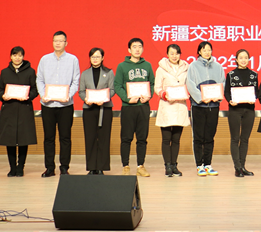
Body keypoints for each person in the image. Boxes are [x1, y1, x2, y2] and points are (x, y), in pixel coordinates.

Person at [36, 30, 80, 177]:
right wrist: (43, 95)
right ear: (52, 42)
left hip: (65, 105)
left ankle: (64, 167)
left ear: (66, 43)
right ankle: (49, 168)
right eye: (55, 40)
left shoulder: (73, 60)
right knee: (49, 138)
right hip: (48, 105)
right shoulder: (44, 59)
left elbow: (75, 81)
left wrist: (68, 95)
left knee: (65, 137)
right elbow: (39, 79)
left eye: (61, 41)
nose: (58, 43)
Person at [113, 37, 155, 177]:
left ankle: (140, 166)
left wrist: (149, 96)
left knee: (142, 138)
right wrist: (127, 98)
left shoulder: (147, 65)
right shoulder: (122, 66)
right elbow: (117, 85)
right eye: (134, 47)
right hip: (128, 107)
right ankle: (125, 166)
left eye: (139, 46)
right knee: (126, 137)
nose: (137, 49)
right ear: (129, 49)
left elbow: (152, 83)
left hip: (143, 106)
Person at [0, 46, 38, 177]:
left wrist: (27, 96)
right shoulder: (4, 72)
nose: (17, 58)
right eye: (15, 55)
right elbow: (0, 90)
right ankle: (12, 168)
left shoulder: (30, 71)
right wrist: (2, 96)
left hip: (24, 109)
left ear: (23, 57)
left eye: (20, 55)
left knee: (23, 139)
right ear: (10, 56)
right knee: (10, 140)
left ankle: (20, 167)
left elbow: (35, 90)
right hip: (9, 109)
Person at [186, 40, 225, 176]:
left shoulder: (218, 67)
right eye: (204, 50)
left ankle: (208, 164)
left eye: (209, 49)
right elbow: (190, 84)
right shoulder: (193, 66)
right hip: (198, 106)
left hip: (213, 106)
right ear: (199, 52)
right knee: (198, 137)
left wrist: (217, 97)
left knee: (210, 136)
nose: (207, 52)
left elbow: (222, 83)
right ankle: (199, 165)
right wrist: (201, 97)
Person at [154, 43, 190, 177]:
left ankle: (174, 165)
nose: (174, 56)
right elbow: (157, 87)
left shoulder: (186, 68)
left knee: (176, 139)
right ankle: (167, 165)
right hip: (167, 106)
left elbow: (189, 85)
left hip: (180, 106)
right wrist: (164, 95)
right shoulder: (161, 69)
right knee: (166, 138)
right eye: (172, 53)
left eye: (177, 53)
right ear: (167, 54)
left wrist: (188, 92)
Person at [79, 47, 115, 175]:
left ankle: (101, 167)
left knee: (104, 138)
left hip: (104, 109)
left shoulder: (109, 72)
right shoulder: (85, 74)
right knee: (90, 138)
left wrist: (104, 99)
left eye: (98, 57)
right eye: (93, 57)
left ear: (102, 58)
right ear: (90, 58)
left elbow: (112, 90)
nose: (95, 59)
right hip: (89, 109)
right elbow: (81, 91)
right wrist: (86, 99)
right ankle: (91, 167)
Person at [225, 48, 259, 177]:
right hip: (235, 110)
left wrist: (254, 98)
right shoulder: (231, 74)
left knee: (245, 139)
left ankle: (243, 166)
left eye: (246, 57)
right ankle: (237, 167)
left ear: (249, 59)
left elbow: (256, 91)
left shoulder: (254, 74)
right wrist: (230, 100)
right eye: (241, 58)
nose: (243, 60)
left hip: (249, 110)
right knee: (235, 138)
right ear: (236, 60)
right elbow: (227, 91)